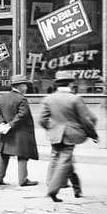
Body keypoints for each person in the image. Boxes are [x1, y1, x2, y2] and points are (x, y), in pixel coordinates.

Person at [40, 72, 98, 202]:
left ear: (57, 84)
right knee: (65, 161)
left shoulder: (48, 99)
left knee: (59, 159)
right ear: (71, 83)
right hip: (71, 135)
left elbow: (42, 120)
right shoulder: (75, 99)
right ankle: (52, 190)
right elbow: (86, 120)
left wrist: (52, 128)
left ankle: (77, 190)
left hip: (55, 135)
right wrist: (93, 135)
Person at [0, 74, 39, 187]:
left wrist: (3, 123)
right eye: (25, 85)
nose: (26, 88)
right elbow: (22, 115)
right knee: (23, 155)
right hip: (20, 133)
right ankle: (23, 180)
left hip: (5, 132)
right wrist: (11, 124)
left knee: (4, 155)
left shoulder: (2, 97)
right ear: (19, 86)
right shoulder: (22, 99)